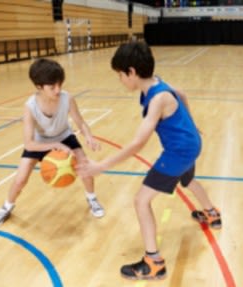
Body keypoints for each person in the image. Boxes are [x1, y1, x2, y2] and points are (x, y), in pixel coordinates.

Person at [77, 42, 221, 281]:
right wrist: (191, 125)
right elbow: (182, 93)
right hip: (191, 144)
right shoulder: (156, 82)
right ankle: (212, 213)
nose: (121, 80)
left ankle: (153, 262)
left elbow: (137, 144)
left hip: (178, 152)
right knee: (189, 179)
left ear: (131, 72)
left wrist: (100, 166)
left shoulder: (157, 100)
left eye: (120, 75)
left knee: (141, 200)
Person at [0, 58, 105, 229]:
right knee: (20, 180)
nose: (58, 90)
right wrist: (54, 145)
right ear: (39, 86)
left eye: (59, 84)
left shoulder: (67, 98)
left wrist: (89, 136)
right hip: (39, 142)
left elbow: (80, 122)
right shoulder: (30, 106)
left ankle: (92, 198)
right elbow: (29, 144)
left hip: (64, 136)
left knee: (84, 165)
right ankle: (7, 206)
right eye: (52, 87)